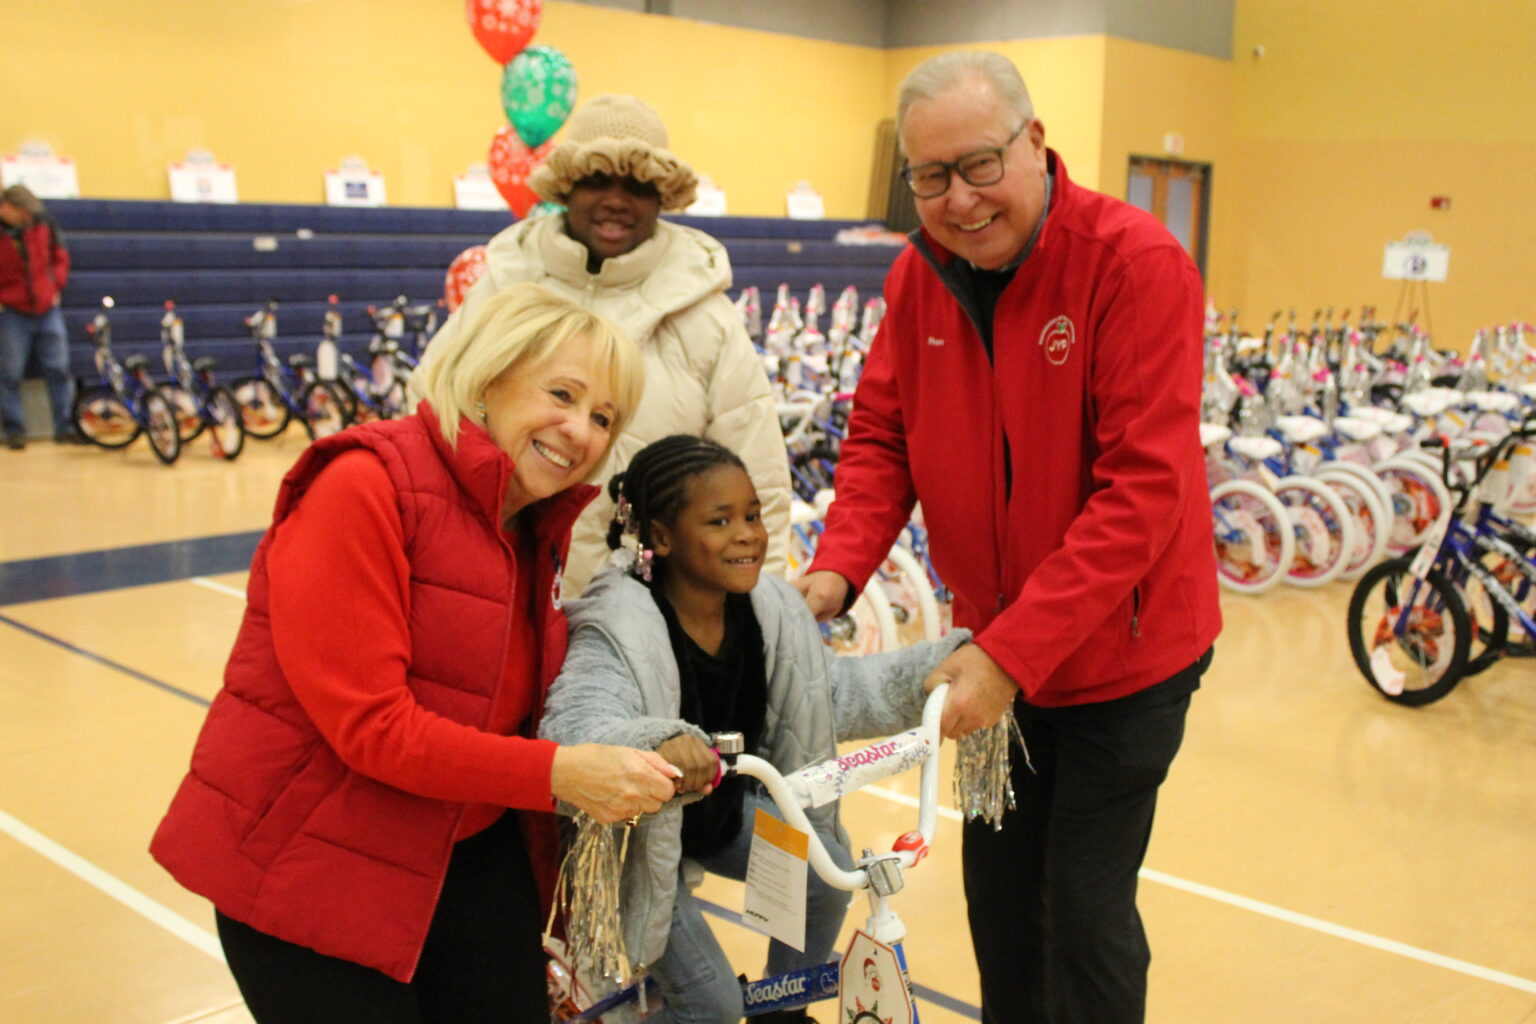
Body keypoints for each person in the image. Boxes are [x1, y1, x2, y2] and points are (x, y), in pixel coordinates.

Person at [794, 52, 1222, 1024]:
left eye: (980, 163)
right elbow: (881, 439)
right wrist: (835, 574)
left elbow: (1142, 496)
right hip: (994, 652)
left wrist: (1010, 654)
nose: (959, 197)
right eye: (930, 176)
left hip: (1126, 658)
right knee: (999, 903)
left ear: (1035, 143)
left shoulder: (1135, 264)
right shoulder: (917, 278)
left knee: (1083, 905)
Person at [150, 283, 682, 1023]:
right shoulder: (363, 485)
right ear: (489, 377)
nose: (581, 431)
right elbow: (374, 727)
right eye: (561, 393)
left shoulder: (530, 523)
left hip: (462, 848)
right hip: (312, 864)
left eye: (603, 418)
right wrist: (562, 775)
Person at [539, 435, 970, 1024]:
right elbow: (576, 725)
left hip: (713, 819)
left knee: (826, 876)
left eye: (752, 516)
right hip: (632, 843)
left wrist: (931, 672)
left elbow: (831, 693)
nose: (748, 534)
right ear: (661, 538)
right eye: (720, 521)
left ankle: (782, 1011)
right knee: (711, 1006)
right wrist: (653, 741)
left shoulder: (770, 610)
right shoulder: (619, 623)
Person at [433, 94, 792, 597]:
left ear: (664, 196)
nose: (616, 200)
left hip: (642, 615)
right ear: (566, 186)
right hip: (490, 591)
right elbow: (432, 413)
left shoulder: (707, 320)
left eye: (639, 185)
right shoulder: (504, 286)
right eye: (598, 179)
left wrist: (760, 616)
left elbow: (759, 484)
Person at [0, 183, 76, 449]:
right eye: (23, 214)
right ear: (7, 208)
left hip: (47, 309)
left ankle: (65, 427)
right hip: (11, 312)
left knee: (59, 369)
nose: (28, 219)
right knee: (9, 374)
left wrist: (56, 286)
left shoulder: (43, 222)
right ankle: (14, 430)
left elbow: (60, 255)